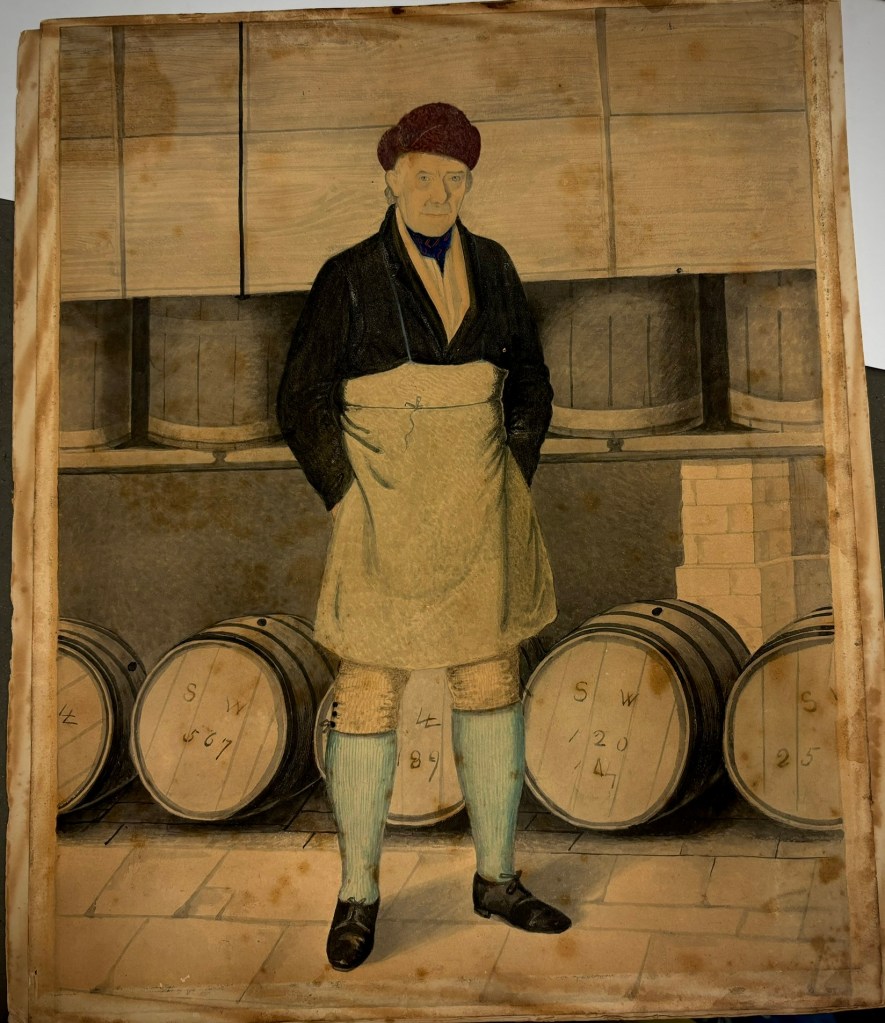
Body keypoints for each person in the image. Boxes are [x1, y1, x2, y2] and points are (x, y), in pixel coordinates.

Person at [277, 102, 570, 973]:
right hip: (379, 511)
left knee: (490, 680)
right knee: (367, 693)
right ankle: (358, 894)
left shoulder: (496, 266)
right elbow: (300, 400)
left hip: (481, 506)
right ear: (390, 179)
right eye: (421, 175)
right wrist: (346, 498)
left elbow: (531, 383)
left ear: (469, 186)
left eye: (454, 178)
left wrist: (511, 470)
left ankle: (496, 878)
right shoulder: (347, 275)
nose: (437, 191)